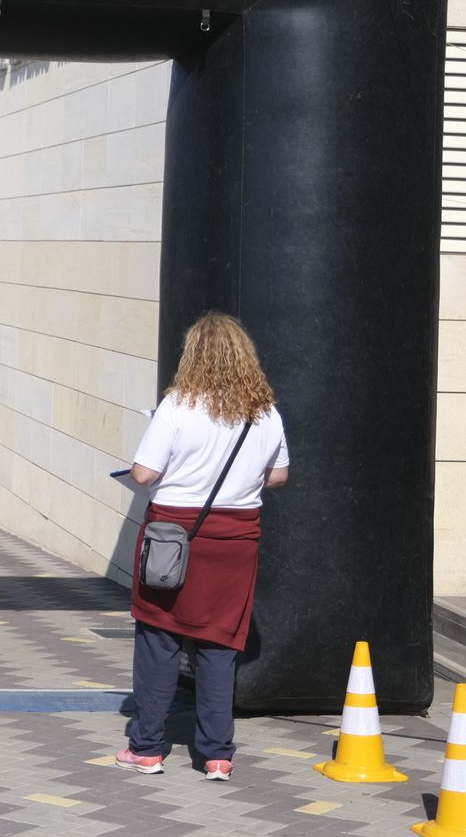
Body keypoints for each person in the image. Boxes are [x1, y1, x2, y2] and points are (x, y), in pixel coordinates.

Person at [115, 311, 289, 782]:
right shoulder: (265, 412)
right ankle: (216, 755)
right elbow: (278, 476)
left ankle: (147, 748)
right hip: (236, 543)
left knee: (159, 637)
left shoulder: (177, 407)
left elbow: (144, 474)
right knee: (219, 644)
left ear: (194, 356)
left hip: (174, 537)